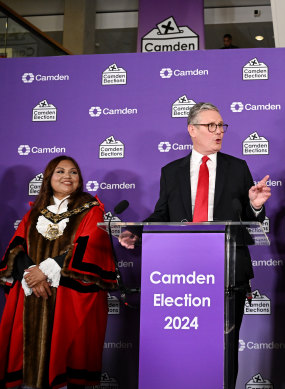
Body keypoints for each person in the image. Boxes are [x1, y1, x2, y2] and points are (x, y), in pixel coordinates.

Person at [120, 102, 270, 389]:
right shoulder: (172, 171)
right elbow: (161, 215)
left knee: (226, 342)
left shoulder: (237, 168)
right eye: (210, 126)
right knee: (185, 342)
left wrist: (254, 204)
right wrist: (136, 231)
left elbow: (249, 219)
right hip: (182, 271)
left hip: (228, 270)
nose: (218, 132)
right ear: (192, 130)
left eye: (221, 126)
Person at [0, 156, 117, 389]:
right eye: (60, 172)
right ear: (49, 178)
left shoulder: (91, 209)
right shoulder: (34, 212)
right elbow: (17, 245)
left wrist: (47, 270)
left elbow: (90, 246)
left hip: (68, 296)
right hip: (32, 292)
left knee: (65, 356)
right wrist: (31, 273)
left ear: (79, 179)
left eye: (73, 172)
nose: (67, 176)